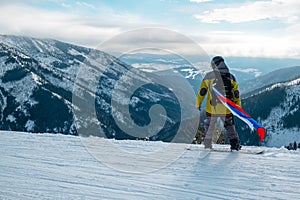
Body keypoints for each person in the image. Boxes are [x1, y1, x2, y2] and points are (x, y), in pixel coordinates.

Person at [196, 56, 241, 150]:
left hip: (212, 108)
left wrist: (198, 104)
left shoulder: (208, 76)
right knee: (229, 126)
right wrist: (238, 107)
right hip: (226, 108)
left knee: (210, 126)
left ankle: (207, 144)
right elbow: (236, 95)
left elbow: (202, 92)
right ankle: (235, 145)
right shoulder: (231, 77)